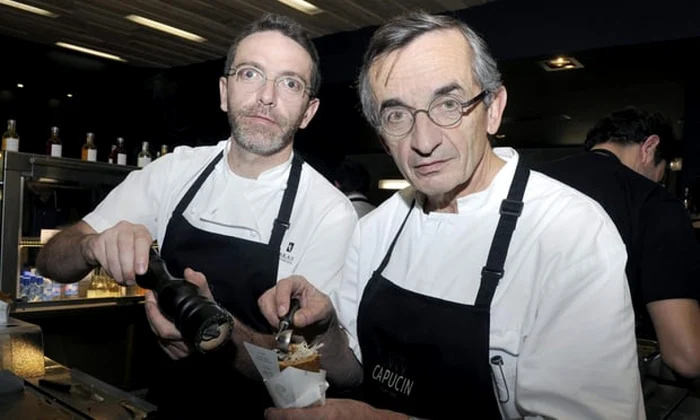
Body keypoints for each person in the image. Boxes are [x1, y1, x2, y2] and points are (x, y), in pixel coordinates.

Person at [259, 11, 644, 420]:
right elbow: (353, 372)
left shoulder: (570, 233)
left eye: (449, 104)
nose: (423, 142)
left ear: (493, 109)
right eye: (397, 115)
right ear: (382, 137)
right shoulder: (375, 229)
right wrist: (322, 333)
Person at [35, 13, 357, 419]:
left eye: (290, 83)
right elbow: (51, 260)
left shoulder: (328, 212)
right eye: (250, 74)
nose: (267, 96)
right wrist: (90, 245)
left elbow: (303, 378)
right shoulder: (174, 171)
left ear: (308, 112)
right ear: (224, 91)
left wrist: (218, 334)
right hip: (165, 402)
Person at [538, 107, 700, 378]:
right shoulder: (654, 203)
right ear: (649, 147)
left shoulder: (528, 182)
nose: (656, 182)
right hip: (588, 384)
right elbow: (687, 356)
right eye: (659, 173)